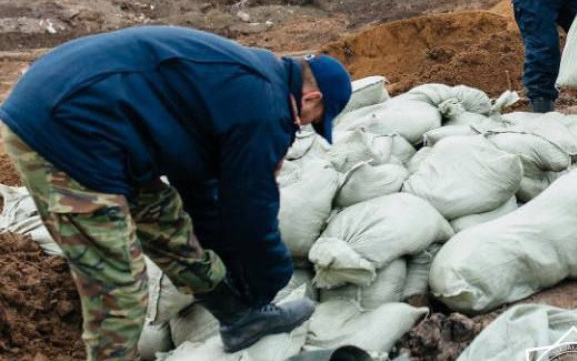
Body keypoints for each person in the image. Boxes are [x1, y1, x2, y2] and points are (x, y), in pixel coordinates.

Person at [0, 26, 353, 358]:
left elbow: (201, 192)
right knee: (118, 287)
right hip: (64, 127)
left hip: (88, 115)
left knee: (167, 222)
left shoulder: (252, 83)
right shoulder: (266, 106)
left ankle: (238, 318)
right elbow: (249, 210)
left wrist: (237, 280)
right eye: (315, 119)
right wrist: (270, 278)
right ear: (311, 97)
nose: (305, 127)